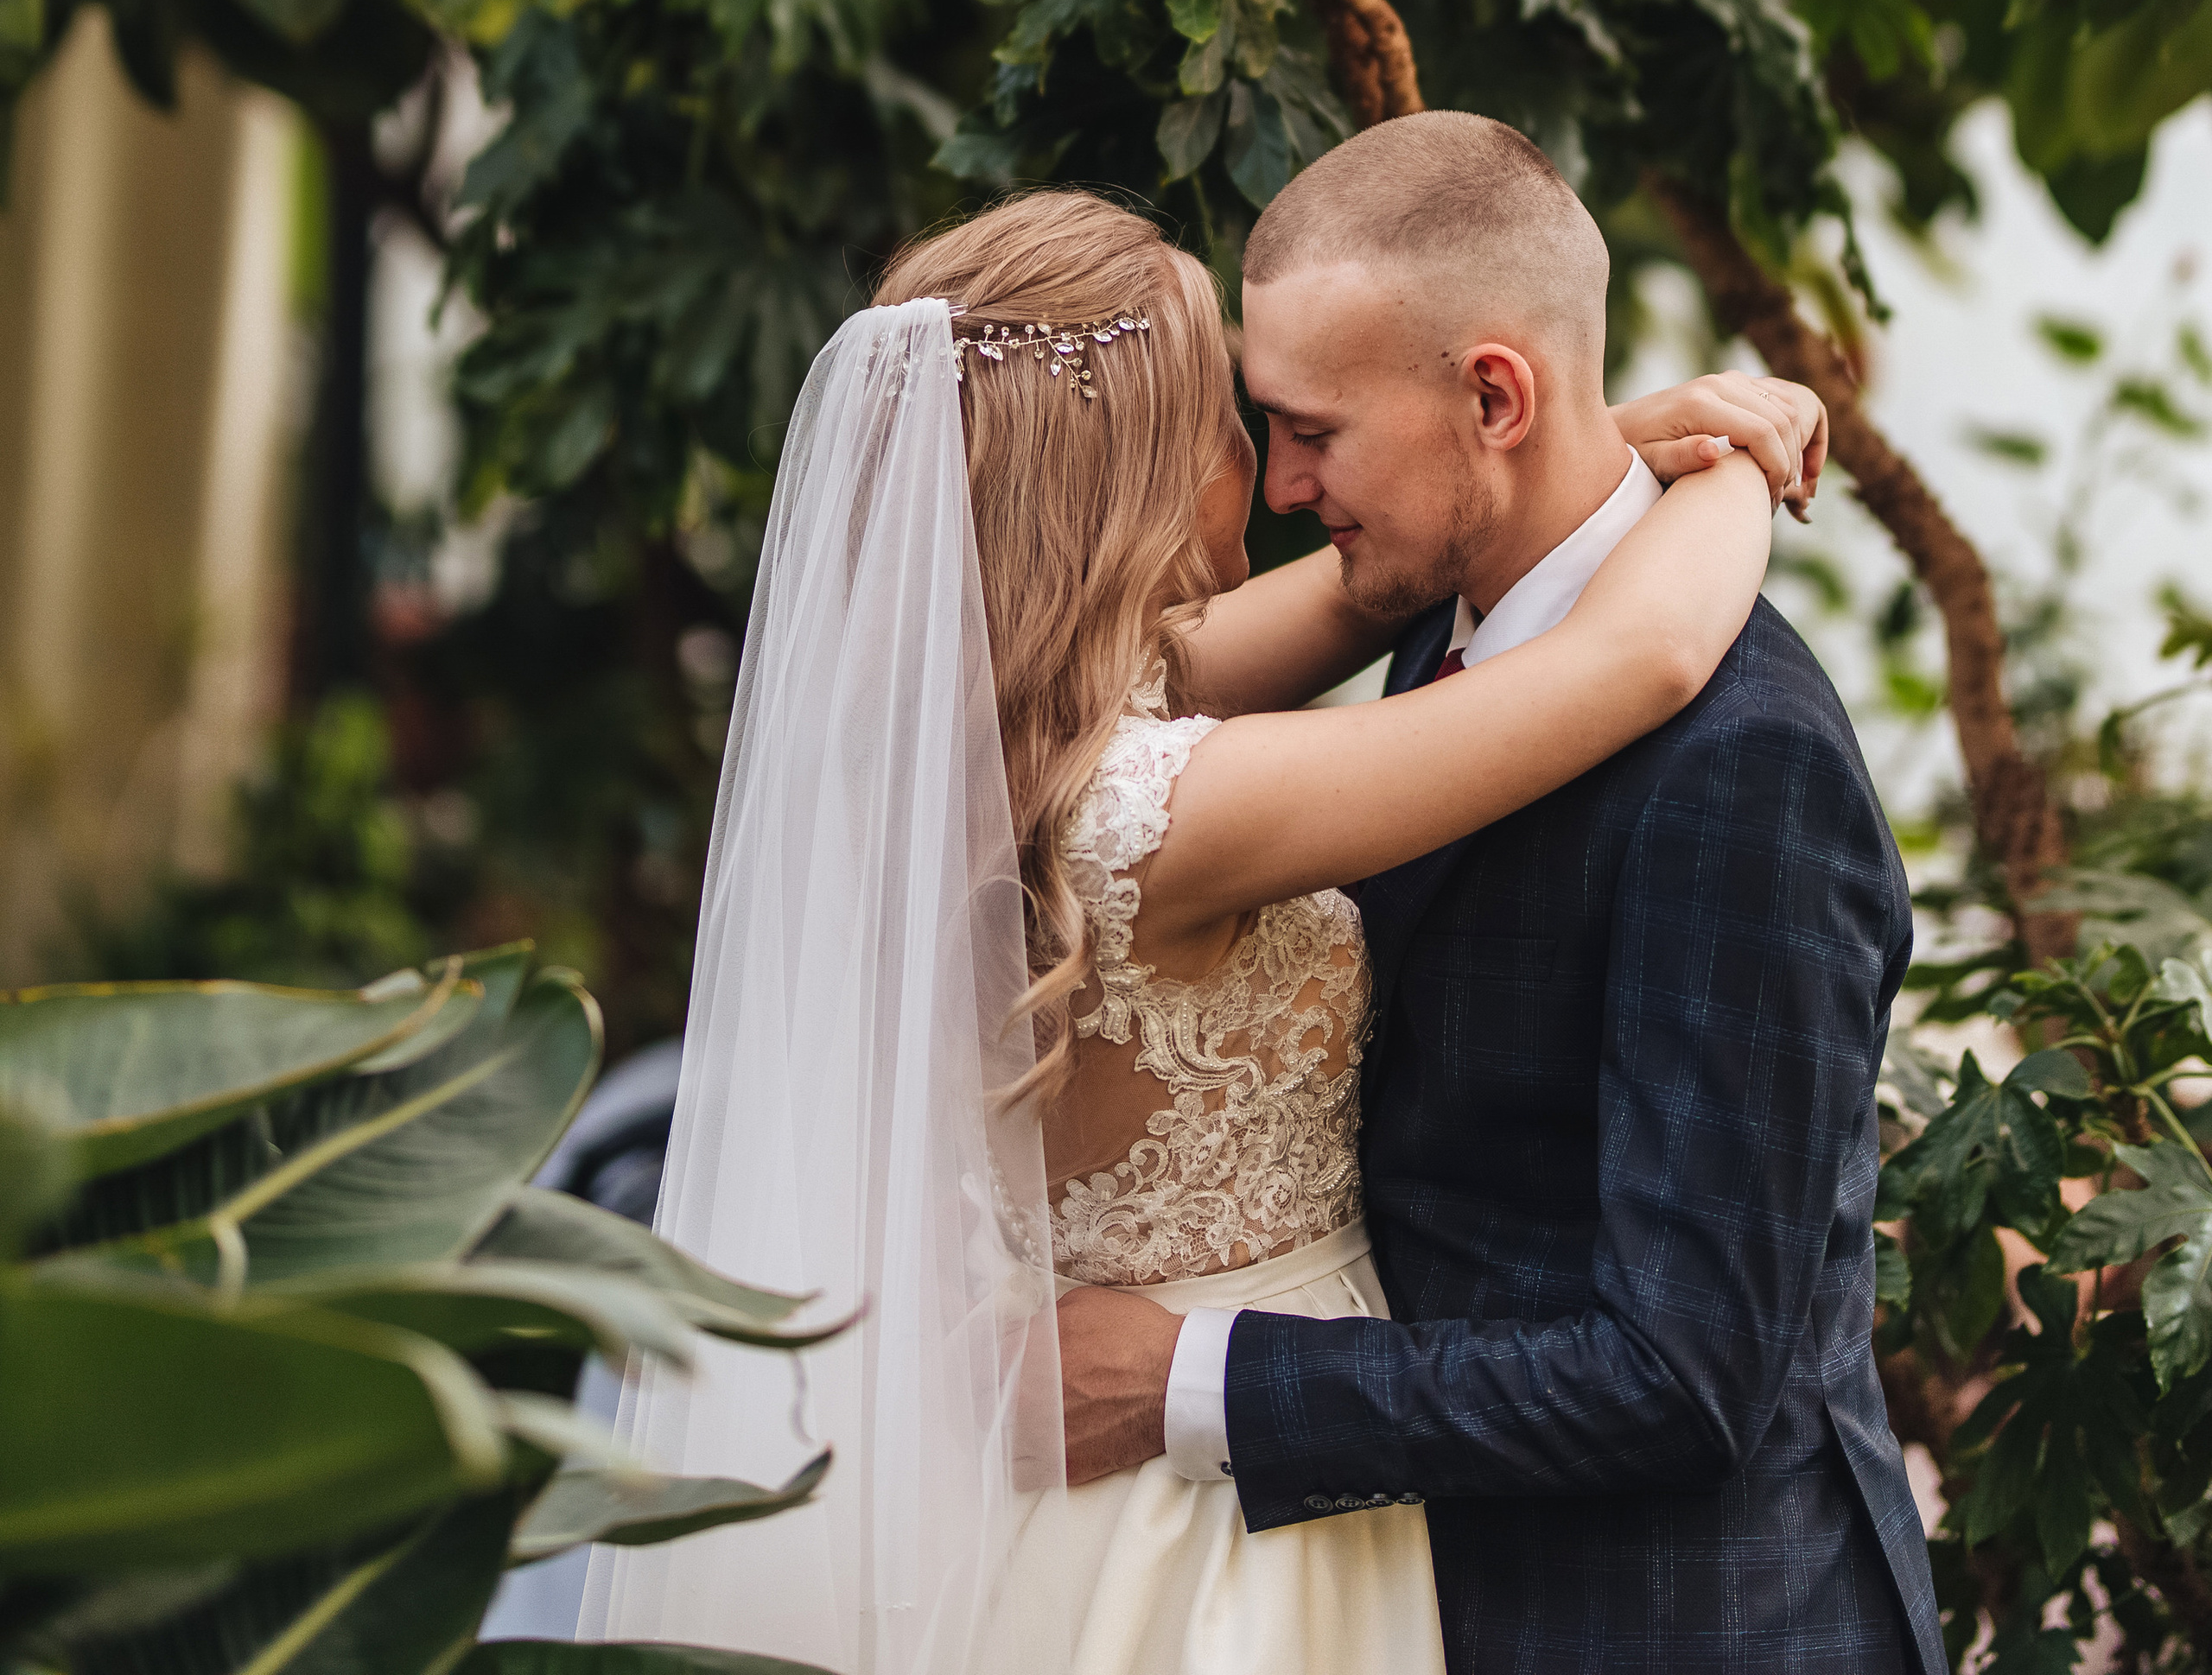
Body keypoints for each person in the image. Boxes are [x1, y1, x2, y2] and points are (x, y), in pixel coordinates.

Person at [576, 155, 1829, 1675]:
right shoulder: (1155, 805)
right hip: (1206, 1523)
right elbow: (1631, 663)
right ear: (1151, 480)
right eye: (1250, 433)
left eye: (1306, 433)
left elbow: (1383, 590)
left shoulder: (991, 739)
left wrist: (1586, 446)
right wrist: (1736, 472)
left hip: (1126, 1493)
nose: (1287, 486)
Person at [1058, 115, 1944, 1675]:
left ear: (1492, 396)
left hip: (1680, 1629)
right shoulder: (1441, 618)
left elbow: (1682, 1376)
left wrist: (1189, 1384)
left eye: (1315, 431)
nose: (1280, 487)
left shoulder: (1745, 765)